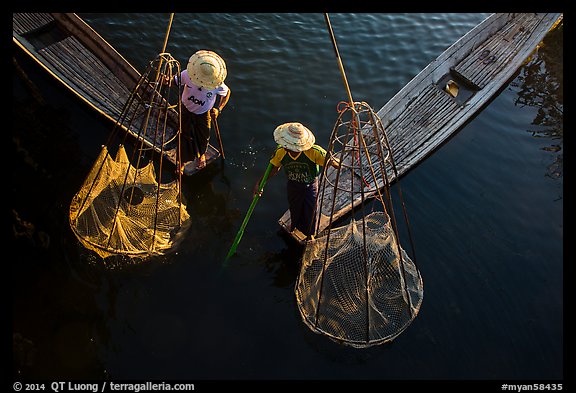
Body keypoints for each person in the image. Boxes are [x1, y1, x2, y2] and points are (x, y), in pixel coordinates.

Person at [255, 122, 339, 240]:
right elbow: (274, 168)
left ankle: (310, 234)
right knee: (294, 206)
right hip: (293, 184)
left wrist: (335, 163)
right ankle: (294, 225)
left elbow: (332, 162)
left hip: (310, 185)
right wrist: (261, 183)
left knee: (311, 210)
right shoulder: (281, 152)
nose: (285, 146)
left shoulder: (314, 152)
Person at [175, 50, 231, 174]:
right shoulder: (188, 74)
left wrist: (219, 109)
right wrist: (165, 80)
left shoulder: (217, 84)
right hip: (186, 109)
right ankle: (182, 162)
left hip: (204, 113)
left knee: (203, 135)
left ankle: (201, 155)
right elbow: (174, 81)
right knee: (184, 135)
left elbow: (227, 94)